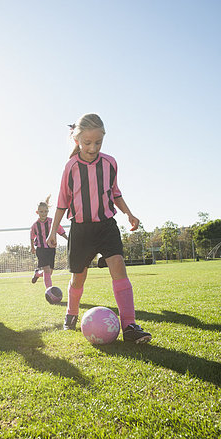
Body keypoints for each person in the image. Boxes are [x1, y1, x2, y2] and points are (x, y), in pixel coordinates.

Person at [46, 113, 151, 344]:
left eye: (98, 142)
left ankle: (130, 326)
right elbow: (62, 201)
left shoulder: (110, 162)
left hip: (106, 226)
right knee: (78, 278)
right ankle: (71, 314)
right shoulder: (71, 167)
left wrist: (129, 214)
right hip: (81, 229)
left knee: (119, 266)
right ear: (77, 141)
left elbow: (115, 192)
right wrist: (53, 231)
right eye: (87, 143)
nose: (93, 147)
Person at [30, 195, 68, 287]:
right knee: (47, 270)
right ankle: (49, 291)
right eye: (41, 212)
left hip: (51, 249)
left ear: (48, 211)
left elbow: (60, 230)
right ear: (37, 212)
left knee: (49, 272)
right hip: (41, 249)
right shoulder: (35, 225)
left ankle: (37, 274)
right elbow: (32, 236)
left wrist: (68, 239)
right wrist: (32, 247)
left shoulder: (52, 222)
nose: (44, 213)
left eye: (45, 211)